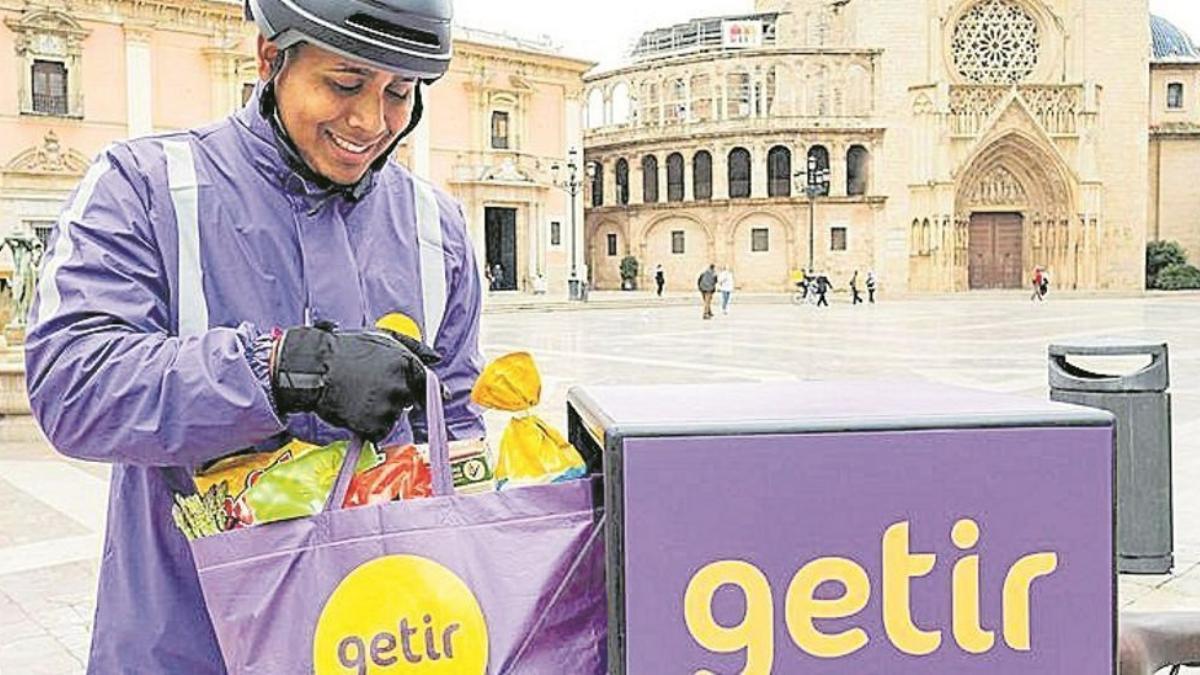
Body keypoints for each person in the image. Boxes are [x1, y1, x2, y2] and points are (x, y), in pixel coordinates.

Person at [23, 1, 485, 672]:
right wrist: (284, 368)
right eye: (345, 83)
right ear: (270, 59)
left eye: (399, 92)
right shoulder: (146, 188)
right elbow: (74, 386)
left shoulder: (435, 226)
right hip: (186, 644)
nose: (370, 121)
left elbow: (461, 427)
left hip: (387, 642)